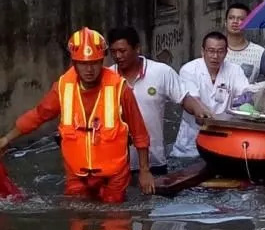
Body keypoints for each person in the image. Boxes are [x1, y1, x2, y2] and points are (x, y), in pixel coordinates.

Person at [0, 27, 154, 202]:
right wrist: (7, 138)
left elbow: (139, 132)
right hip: (76, 175)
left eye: (95, 62)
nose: (89, 69)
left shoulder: (120, 88)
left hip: (114, 177)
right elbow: (38, 115)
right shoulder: (63, 87)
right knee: (77, 221)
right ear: (74, 63)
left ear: (102, 61)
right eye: (83, 63)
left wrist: (144, 171)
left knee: (115, 224)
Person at [108, 27, 213, 175]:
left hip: (154, 162)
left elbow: (184, 97)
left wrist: (199, 111)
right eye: (113, 52)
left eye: (123, 51)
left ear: (137, 48)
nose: (118, 56)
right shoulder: (108, 78)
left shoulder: (160, 72)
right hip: (116, 164)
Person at [171, 31, 248, 157]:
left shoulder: (235, 70)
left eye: (220, 51)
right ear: (203, 51)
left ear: (226, 52)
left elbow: (245, 96)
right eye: (211, 51)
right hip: (191, 144)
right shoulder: (189, 70)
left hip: (224, 141)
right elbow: (194, 102)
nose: (215, 56)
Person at [225, 3, 265, 83]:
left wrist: (260, 87)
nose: (235, 21)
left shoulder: (258, 52)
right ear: (225, 22)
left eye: (241, 19)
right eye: (231, 18)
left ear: (248, 23)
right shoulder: (216, 50)